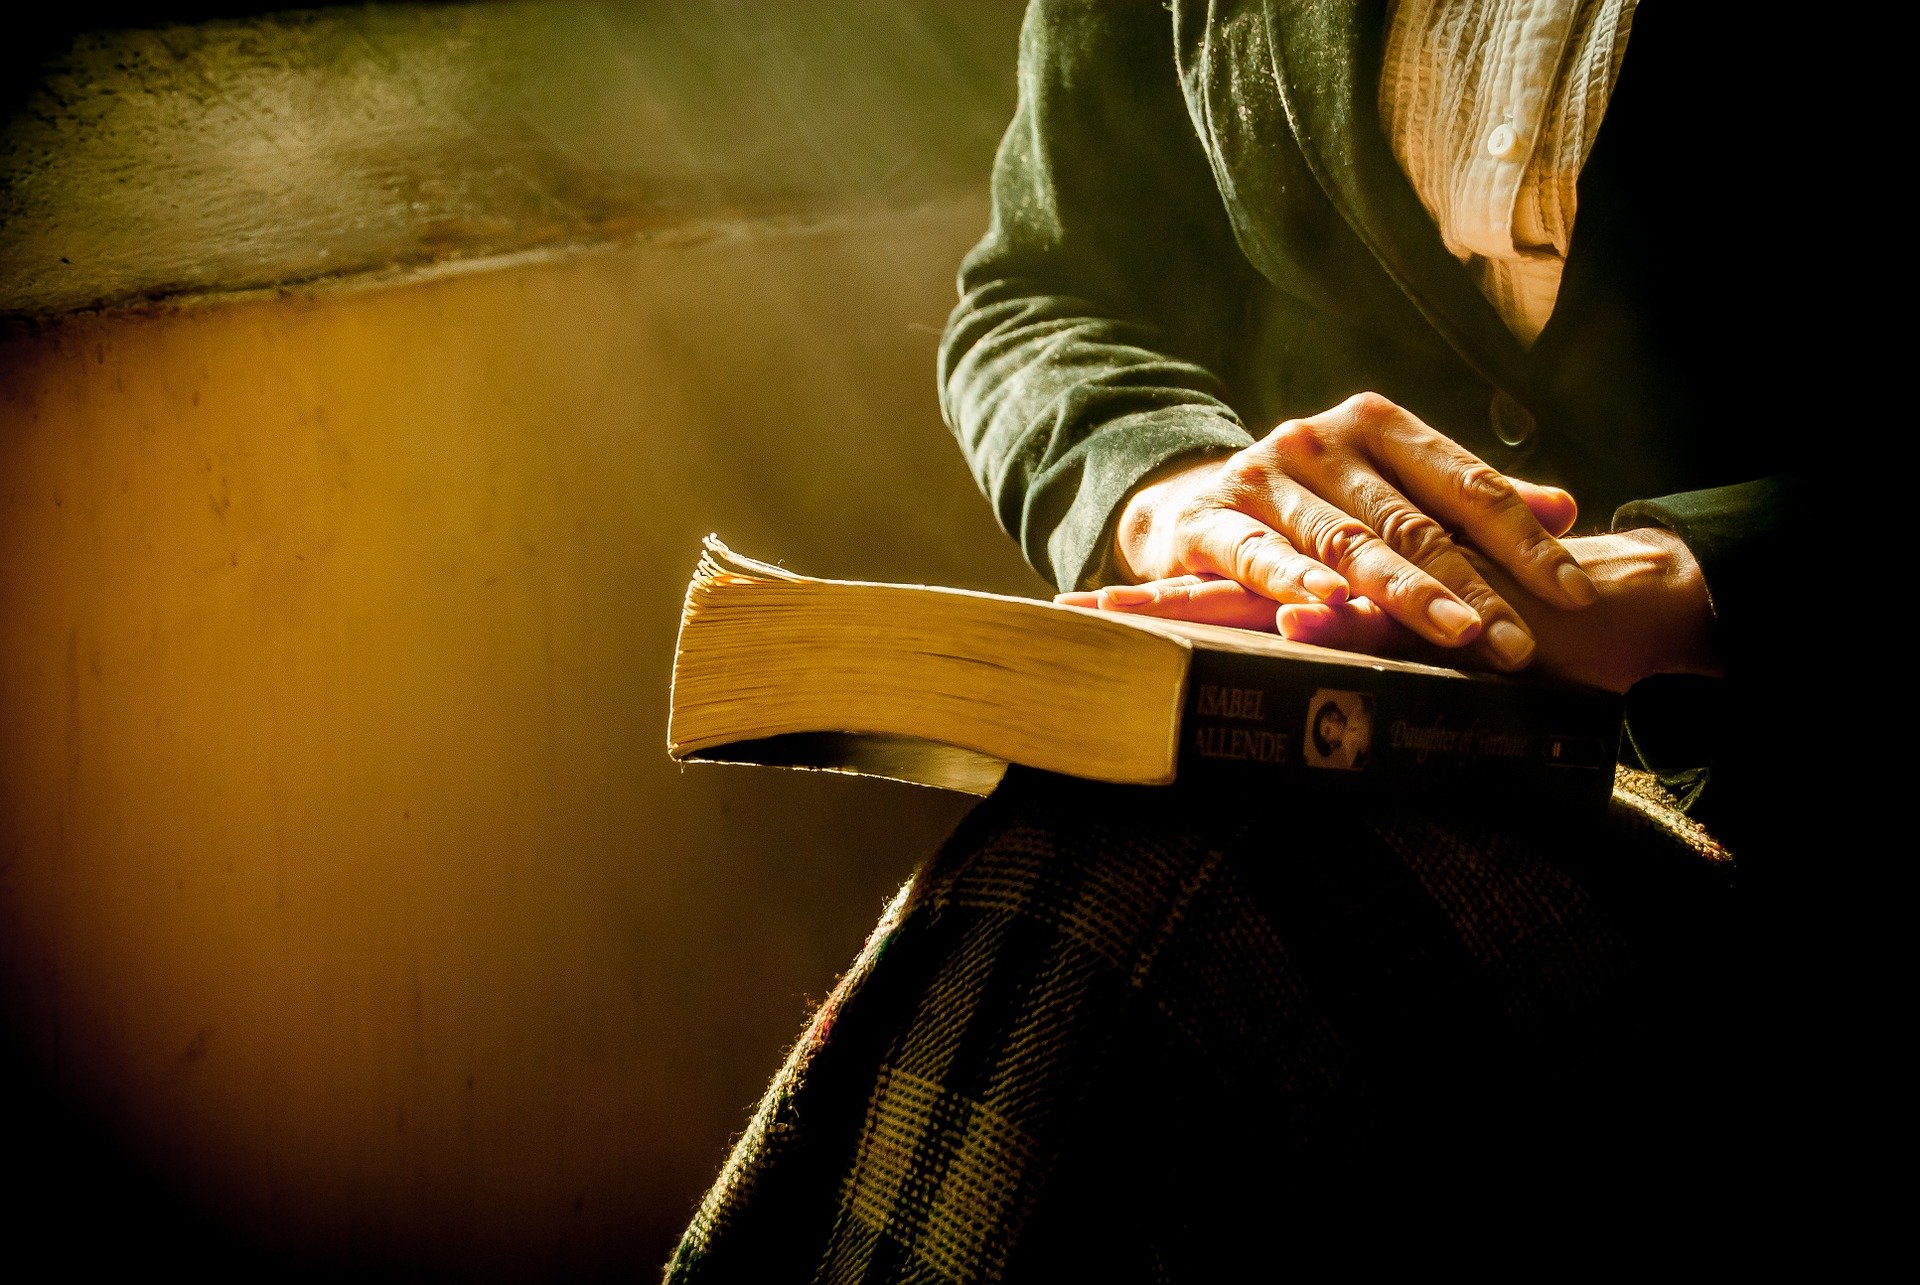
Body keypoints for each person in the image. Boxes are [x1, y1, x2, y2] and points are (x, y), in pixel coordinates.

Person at [666, 3, 1847, 1278]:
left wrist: (1685, 575)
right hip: (1367, 740)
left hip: (1760, 806)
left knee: (1153, 918)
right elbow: (1045, 293)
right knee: (1075, 870)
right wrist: (1170, 487)